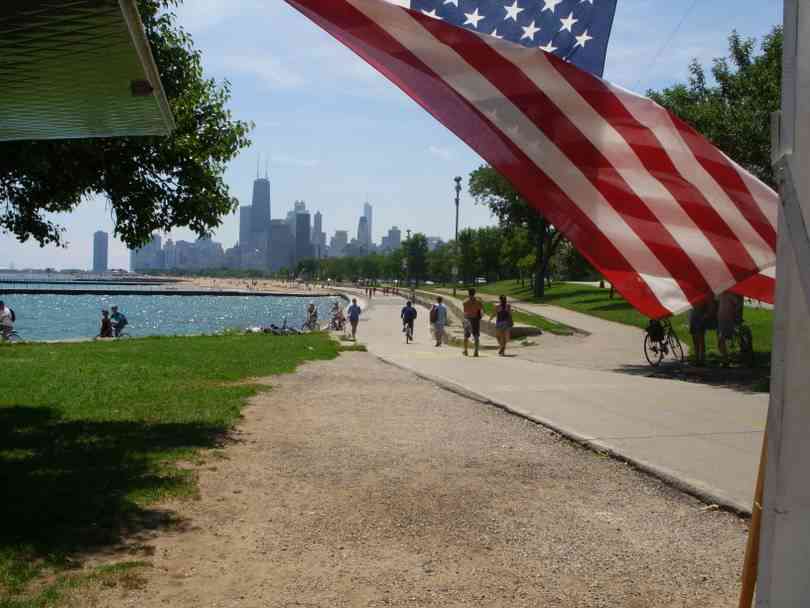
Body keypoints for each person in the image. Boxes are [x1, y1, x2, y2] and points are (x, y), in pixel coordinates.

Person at [717, 291, 743, 367]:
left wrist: (736, 314)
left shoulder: (731, 294)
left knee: (723, 338)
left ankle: (726, 359)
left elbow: (738, 304)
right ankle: (725, 358)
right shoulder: (721, 294)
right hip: (721, 318)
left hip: (728, 319)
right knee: (721, 339)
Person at [689, 295, 715, 367]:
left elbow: (710, 303)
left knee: (700, 339)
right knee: (695, 339)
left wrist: (707, 315)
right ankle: (697, 358)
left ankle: (702, 359)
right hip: (693, 315)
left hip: (700, 315)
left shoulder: (704, 292)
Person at [462, 288, 484, 357]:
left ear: (468, 293)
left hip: (468, 319)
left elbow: (465, 311)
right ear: (475, 293)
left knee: (466, 336)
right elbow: (482, 310)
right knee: (476, 335)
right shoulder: (478, 301)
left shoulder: (465, 302)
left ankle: (465, 350)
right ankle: (476, 351)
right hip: (475, 319)